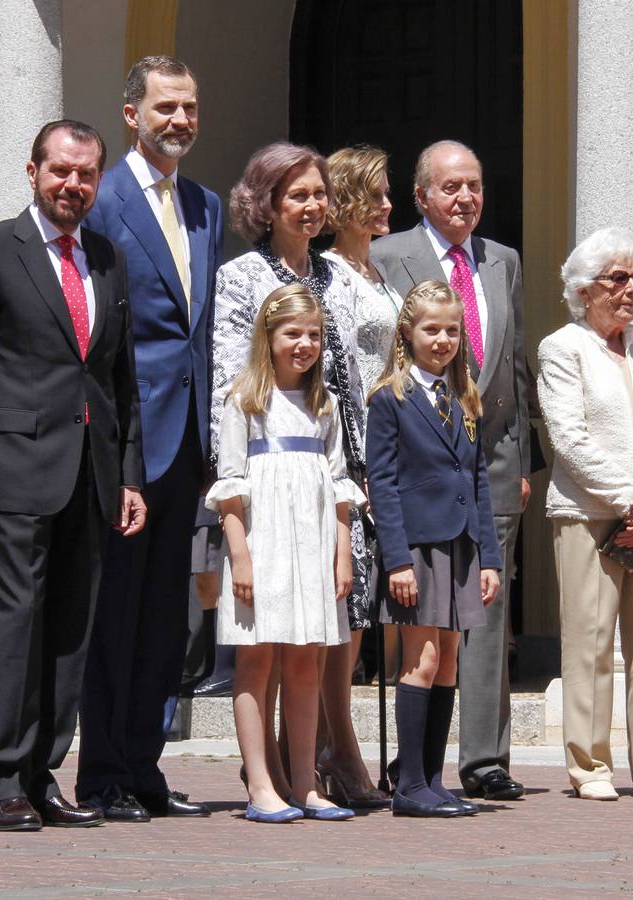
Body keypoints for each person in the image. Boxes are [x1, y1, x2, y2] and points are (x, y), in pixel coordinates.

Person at [0, 119, 146, 832]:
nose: (72, 185)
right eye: (60, 171)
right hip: (15, 470)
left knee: (68, 630)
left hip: (90, 475)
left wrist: (129, 476)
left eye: (85, 174)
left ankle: (41, 773)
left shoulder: (108, 258)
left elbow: (119, 380)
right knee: (13, 625)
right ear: (33, 173)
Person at [74, 55, 222, 822]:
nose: (180, 121)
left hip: (191, 442)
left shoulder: (206, 205)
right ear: (131, 114)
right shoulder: (102, 201)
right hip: (126, 441)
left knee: (168, 617)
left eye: (190, 108)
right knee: (117, 613)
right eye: (166, 108)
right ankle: (101, 772)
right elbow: (97, 337)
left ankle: (145, 765)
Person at [371, 139, 533, 802]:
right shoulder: (386, 257)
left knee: (485, 613)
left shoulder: (504, 261)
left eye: (473, 184)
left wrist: (522, 456)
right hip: (415, 458)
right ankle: (413, 770)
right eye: (449, 187)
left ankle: (484, 757)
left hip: (489, 458)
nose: (464, 197)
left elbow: (513, 365)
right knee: (425, 638)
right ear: (421, 197)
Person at [211, 142, 369, 798]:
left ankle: (314, 766)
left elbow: (364, 360)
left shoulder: (338, 275)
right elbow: (228, 375)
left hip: (336, 459)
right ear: (267, 203)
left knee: (329, 624)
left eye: (319, 195)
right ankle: (266, 775)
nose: (311, 206)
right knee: (269, 636)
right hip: (267, 461)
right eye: (296, 195)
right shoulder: (243, 275)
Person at [538, 227, 633, 801]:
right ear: (584, 290)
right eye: (617, 279)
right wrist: (631, 499)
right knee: (591, 641)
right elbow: (569, 439)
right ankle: (589, 765)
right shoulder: (562, 347)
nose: (630, 290)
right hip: (588, 514)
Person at [207, 283, 358, 823]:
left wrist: (342, 555)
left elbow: (339, 488)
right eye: (293, 333)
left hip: (313, 548)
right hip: (262, 545)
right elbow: (229, 487)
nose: (305, 344)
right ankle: (260, 786)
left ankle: (304, 784)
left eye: (314, 334)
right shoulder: (244, 402)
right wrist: (240, 557)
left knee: (304, 661)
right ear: (267, 337)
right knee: (256, 659)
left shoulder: (326, 405)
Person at [367, 280, 502, 817]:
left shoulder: (462, 397)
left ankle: (432, 778)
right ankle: (408, 785)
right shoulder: (390, 398)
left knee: (447, 662)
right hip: (418, 550)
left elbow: (479, 482)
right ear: (408, 332)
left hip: (461, 545)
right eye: (431, 329)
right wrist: (396, 558)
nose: (443, 340)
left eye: (452, 330)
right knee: (420, 661)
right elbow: (382, 483)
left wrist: (489, 556)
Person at [316, 143, 401, 808]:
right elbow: (337, 377)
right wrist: (354, 463)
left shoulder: (377, 274)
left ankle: (332, 748)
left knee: (362, 613)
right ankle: (337, 752)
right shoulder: (330, 277)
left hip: (388, 453)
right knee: (343, 613)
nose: (385, 205)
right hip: (351, 459)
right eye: (374, 195)